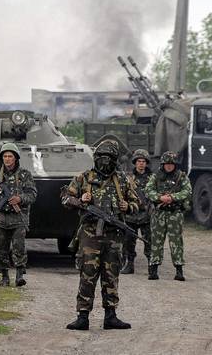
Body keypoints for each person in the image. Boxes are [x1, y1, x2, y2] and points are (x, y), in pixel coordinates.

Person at [62, 140, 140, 330]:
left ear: (115, 160)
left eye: (109, 158)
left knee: (111, 275)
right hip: (90, 235)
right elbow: (65, 198)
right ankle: (83, 316)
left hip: (114, 236)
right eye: (102, 157)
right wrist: (80, 200)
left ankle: (110, 316)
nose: (105, 161)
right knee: (87, 274)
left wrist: (127, 206)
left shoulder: (122, 180)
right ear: (96, 158)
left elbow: (137, 203)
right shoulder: (84, 178)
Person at [0, 143, 37, 287]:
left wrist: (20, 199)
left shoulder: (24, 175)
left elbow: (32, 194)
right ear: (1, 158)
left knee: (19, 246)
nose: (7, 159)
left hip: (18, 216)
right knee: (0, 247)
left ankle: (19, 276)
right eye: (5, 156)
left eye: (10, 156)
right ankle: (4, 276)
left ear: (15, 158)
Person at [145, 151, 192, 281]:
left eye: (172, 164)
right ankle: (153, 270)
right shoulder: (155, 176)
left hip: (175, 213)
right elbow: (148, 190)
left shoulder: (181, 176)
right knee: (156, 241)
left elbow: (187, 191)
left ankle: (179, 270)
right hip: (158, 213)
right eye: (167, 164)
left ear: (175, 165)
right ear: (163, 164)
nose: (169, 166)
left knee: (176, 242)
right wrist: (160, 197)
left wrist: (172, 197)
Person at [120, 149, 153, 275]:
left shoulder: (153, 178)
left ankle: (152, 265)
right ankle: (129, 264)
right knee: (128, 242)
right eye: (139, 161)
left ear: (146, 163)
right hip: (131, 214)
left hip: (147, 215)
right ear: (135, 162)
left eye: (143, 161)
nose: (141, 163)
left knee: (149, 242)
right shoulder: (128, 177)